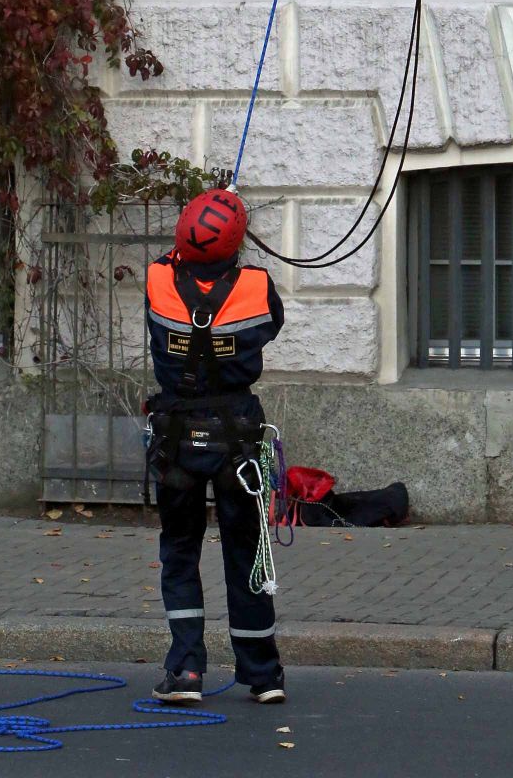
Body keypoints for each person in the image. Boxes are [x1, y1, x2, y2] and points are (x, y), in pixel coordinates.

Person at [144, 186, 287, 706]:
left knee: (180, 551)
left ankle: (184, 672)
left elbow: (173, 261)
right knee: (246, 552)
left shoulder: (158, 278)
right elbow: (270, 326)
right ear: (237, 244)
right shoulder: (257, 286)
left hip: (177, 436)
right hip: (238, 436)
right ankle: (263, 674)